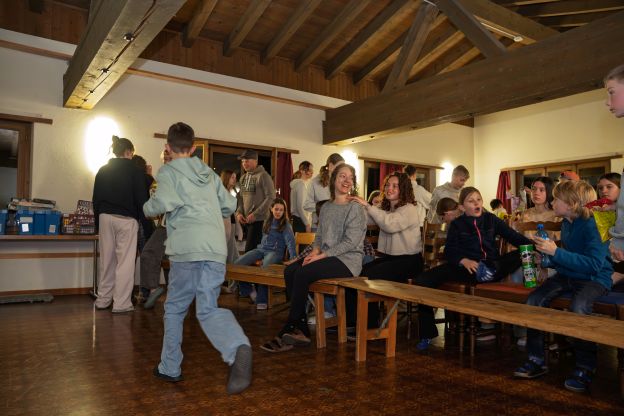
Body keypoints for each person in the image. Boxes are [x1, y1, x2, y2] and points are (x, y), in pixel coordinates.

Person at [144, 122, 251, 394]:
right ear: (193, 148)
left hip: (187, 248)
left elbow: (163, 203)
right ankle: (237, 345)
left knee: (175, 308)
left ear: (167, 147)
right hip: (215, 249)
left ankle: (170, 367)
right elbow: (229, 205)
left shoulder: (168, 171)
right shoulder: (208, 173)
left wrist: (147, 206)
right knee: (207, 309)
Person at [514, 180, 612, 394]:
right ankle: (536, 359)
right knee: (533, 300)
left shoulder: (595, 224)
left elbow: (593, 265)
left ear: (572, 203)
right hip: (569, 275)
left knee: (578, 307)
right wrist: (548, 260)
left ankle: (586, 366)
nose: (552, 202)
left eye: (556, 199)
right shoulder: (567, 223)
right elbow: (568, 258)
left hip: (595, 278)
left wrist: (556, 252)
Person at [260, 164, 366, 352]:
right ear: (334, 179)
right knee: (290, 270)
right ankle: (301, 327)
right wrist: (315, 251)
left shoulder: (355, 208)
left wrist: (321, 255)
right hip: (327, 256)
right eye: (343, 176)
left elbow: (351, 242)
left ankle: (290, 326)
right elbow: (320, 237)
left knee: (302, 273)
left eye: (351, 177)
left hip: (348, 260)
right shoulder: (326, 207)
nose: (347, 180)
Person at [413, 186, 532, 350]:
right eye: (471, 201)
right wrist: (463, 261)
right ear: (462, 207)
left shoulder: (491, 219)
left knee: (523, 251)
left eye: (478, 199)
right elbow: (450, 251)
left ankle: (524, 330)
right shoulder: (457, 224)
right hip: (468, 270)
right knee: (422, 281)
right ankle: (427, 333)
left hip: (493, 268)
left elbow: (515, 238)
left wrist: (539, 249)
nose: (476, 203)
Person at [348, 172, 423, 326]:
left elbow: (389, 224)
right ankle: (353, 321)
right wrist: (353, 205)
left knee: (369, 276)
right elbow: (365, 219)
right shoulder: (386, 207)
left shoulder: (409, 209)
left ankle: (369, 324)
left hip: (410, 262)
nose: (389, 188)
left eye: (395, 186)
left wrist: (368, 205)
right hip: (391, 259)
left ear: (403, 188)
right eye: (388, 185)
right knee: (356, 272)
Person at [92, 135, 148, 313]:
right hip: (127, 219)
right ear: (129, 152)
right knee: (125, 263)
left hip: (105, 217)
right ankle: (121, 304)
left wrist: (98, 223)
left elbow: (95, 199)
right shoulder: (136, 171)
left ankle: (103, 300)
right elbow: (142, 200)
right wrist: (146, 224)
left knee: (107, 261)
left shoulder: (102, 170)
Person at [235, 197, 296, 310]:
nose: (278, 212)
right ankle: (249, 290)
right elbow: (263, 239)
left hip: (275, 253)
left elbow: (291, 243)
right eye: (276, 209)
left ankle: (262, 299)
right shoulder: (267, 222)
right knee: (237, 264)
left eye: (281, 210)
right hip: (261, 250)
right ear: (271, 209)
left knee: (265, 268)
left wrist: (293, 258)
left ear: (284, 211)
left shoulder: (286, 225)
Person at [140, 149, 172, 309]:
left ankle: (153, 289)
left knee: (148, 253)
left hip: (171, 225)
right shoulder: (163, 176)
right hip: (167, 223)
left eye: (169, 157)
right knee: (169, 260)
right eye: (164, 157)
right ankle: (172, 296)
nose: (166, 159)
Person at [236, 149, 276, 254]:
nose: (244, 163)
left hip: (260, 220)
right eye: (243, 161)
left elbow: (271, 197)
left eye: (247, 160)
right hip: (246, 221)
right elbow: (241, 198)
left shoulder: (263, 176)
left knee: (250, 252)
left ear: (255, 161)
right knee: (252, 253)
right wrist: (239, 213)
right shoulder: (243, 178)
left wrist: (255, 214)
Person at [304, 153, 345, 230]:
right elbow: (306, 205)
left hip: (338, 226)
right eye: (339, 167)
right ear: (331, 166)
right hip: (319, 227)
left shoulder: (341, 182)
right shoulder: (315, 182)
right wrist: (325, 206)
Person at [220, 169, 240, 265]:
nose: (234, 180)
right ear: (226, 178)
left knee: (233, 254)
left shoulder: (231, 192)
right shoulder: (221, 192)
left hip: (231, 225)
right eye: (232, 177)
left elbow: (232, 212)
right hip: (224, 226)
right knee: (229, 254)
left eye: (235, 178)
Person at [290, 161, 314, 233]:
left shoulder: (300, 184)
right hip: (301, 220)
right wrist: (307, 224)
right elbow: (300, 207)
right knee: (303, 241)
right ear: (302, 171)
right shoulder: (301, 184)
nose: (312, 172)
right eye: (310, 170)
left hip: (299, 219)